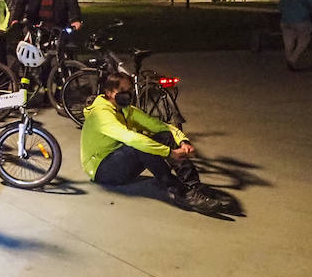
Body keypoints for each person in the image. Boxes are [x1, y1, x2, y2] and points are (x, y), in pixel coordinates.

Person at [81, 72, 226, 214]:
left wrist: (183, 141)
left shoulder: (126, 110)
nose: (129, 94)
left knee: (164, 135)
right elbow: (131, 139)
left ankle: (193, 186)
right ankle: (181, 193)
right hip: (102, 170)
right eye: (123, 91)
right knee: (139, 145)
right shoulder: (101, 115)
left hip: (120, 158)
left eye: (130, 90)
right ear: (110, 92)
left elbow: (160, 126)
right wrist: (169, 153)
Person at [277, 0, 312, 71]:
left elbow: (280, 5)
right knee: (304, 40)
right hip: (301, 20)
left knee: (288, 42)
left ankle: (289, 59)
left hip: (286, 20)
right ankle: (293, 59)